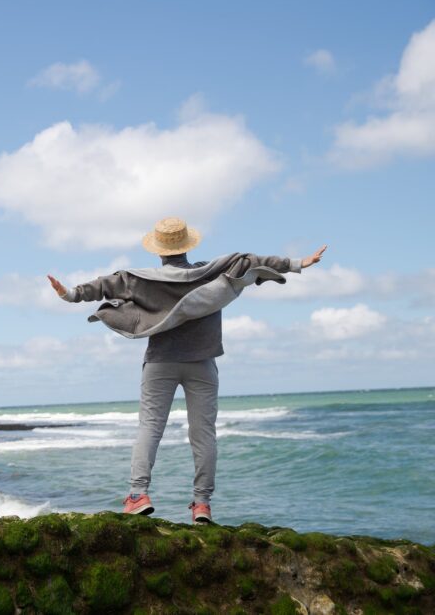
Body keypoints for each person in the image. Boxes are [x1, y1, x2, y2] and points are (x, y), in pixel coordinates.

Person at [48, 217, 326, 524]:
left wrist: (70, 294)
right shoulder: (213, 272)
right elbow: (253, 261)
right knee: (203, 434)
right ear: (186, 245)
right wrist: (298, 263)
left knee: (150, 428)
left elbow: (103, 286)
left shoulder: (141, 279)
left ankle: (138, 496)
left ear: (159, 250)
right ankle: (202, 504)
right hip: (203, 364)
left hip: (160, 363)